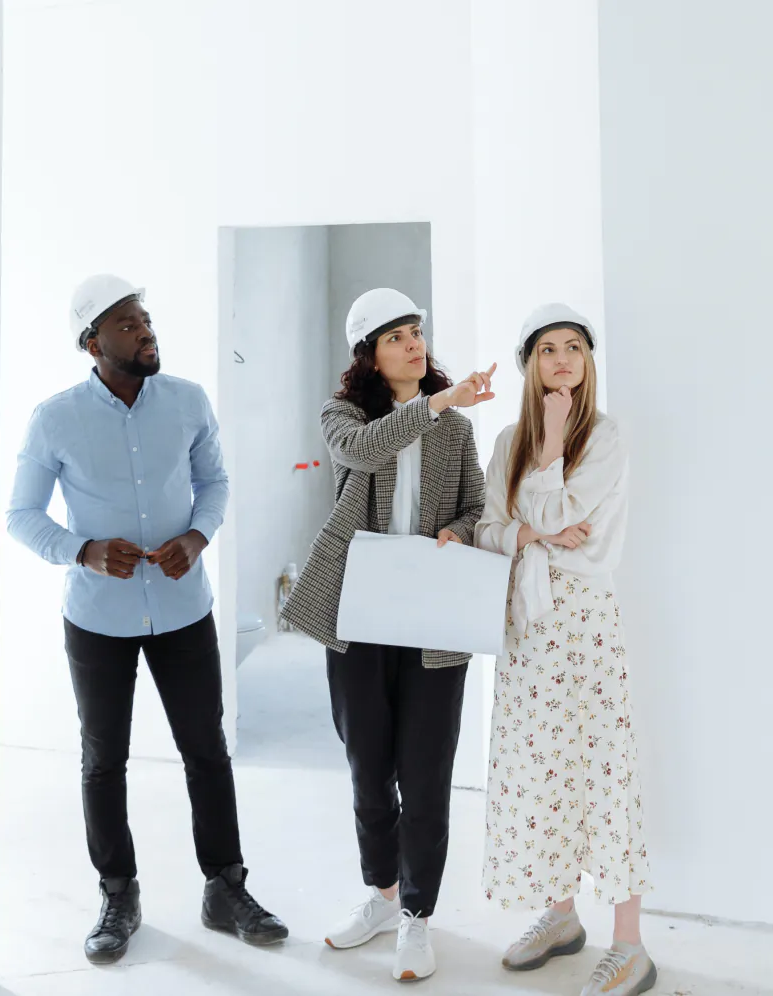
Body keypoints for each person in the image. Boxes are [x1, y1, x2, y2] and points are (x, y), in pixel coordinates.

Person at [6, 274, 288, 966]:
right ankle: (118, 895)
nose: (145, 332)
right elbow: (21, 515)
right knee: (103, 761)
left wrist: (196, 537)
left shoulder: (188, 401)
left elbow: (214, 482)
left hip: (183, 610)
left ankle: (226, 888)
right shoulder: (55, 418)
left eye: (146, 319)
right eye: (127, 325)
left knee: (207, 751)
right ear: (92, 342)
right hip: (97, 619)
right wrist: (82, 551)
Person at [281, 287, 494, 983]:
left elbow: (473, 507)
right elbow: (366, 451)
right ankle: (380, 894)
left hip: (432, 617)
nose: (414, 344)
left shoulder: (456, 430)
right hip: (360, 615)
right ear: (370, 355)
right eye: (397, 336)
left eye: (417, 333)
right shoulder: (344, 415)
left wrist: (456, 533)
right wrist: (434, 402)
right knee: (369, 770)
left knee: (425, 776)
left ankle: (416, 917)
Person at [475, 304, 656, 996]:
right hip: (526, 624)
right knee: (538, 769)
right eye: (547, 349)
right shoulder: (505, 442)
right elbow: (495, 528)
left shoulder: (605, 439)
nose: (560, 360)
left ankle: (631, 943)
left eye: (573, 348)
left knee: (602, 768)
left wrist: (550, 448)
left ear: (588, 361)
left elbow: (556, 516)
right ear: (530, 364)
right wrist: (530, 533)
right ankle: (559, 916)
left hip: (584, 624)